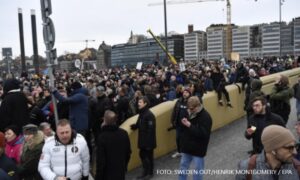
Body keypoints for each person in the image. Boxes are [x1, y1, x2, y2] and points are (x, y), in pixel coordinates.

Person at [179, 96, 212, 180]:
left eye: (192, 108)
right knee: (183, 168)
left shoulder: (206, 117)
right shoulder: (188, 112)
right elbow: (183, 129)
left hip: (198, 149)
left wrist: (190, 125)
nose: (189, 110)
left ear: (198, 106)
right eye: (188, 108)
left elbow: (203, 134)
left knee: (197, 172)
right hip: (187, 147)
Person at [95, 110, 131, 180]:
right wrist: (124, 166)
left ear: (104, 120)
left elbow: (100, 162)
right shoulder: (124, 133)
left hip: (107, 175)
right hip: (120, 172)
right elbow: (128, 153)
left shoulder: (102, 137)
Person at [131, 96, 156, 180]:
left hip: (148, 141)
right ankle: (145, 171)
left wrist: (148, 144)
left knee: (148, 156)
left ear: (145, 104)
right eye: (138, 102)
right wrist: (135, 126)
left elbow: (151, 130)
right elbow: (139, 123)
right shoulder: (142, 113)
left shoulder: (149, 115)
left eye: (140, 102)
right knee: (142, 155)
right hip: (142, 139)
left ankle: (149, 173)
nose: (138, 103)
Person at [170, 87, 191, 158]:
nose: (185, 94)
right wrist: (172, 120)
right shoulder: (179, 101)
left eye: (187, 92)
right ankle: (179, 152)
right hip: (178, 124)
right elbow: (174, 111)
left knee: (186, 139)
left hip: (187, 125)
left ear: (189, 94)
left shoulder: (191, 102)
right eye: (184, 92)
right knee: (178, 138)